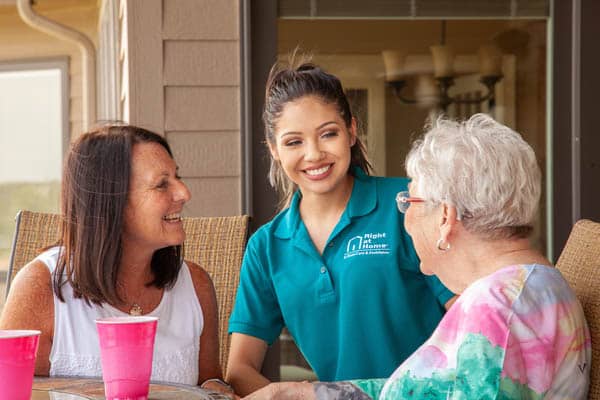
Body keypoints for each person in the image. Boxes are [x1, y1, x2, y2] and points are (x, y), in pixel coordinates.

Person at [245, 114, 592, 399]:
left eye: (409, 202)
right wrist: (307, 394)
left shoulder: (494, 314)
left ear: (445, 218)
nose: (404, 218)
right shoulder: (537, 284)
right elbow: (433, 390)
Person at [225, 59, 455, 396]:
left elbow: (473, 321)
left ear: (351, 131)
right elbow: (240, 370)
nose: (314, 154)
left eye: (328, 134)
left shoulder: (406, 204)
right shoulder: (267, 247)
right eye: (293, 142)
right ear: (274, 150)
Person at [0, 125, 236, 397]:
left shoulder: (195, 285)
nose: (184, 193)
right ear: (111, 202)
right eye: (162, 184)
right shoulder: (41, 288)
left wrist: (220, 389)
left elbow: (209, 381)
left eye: (177, 177)